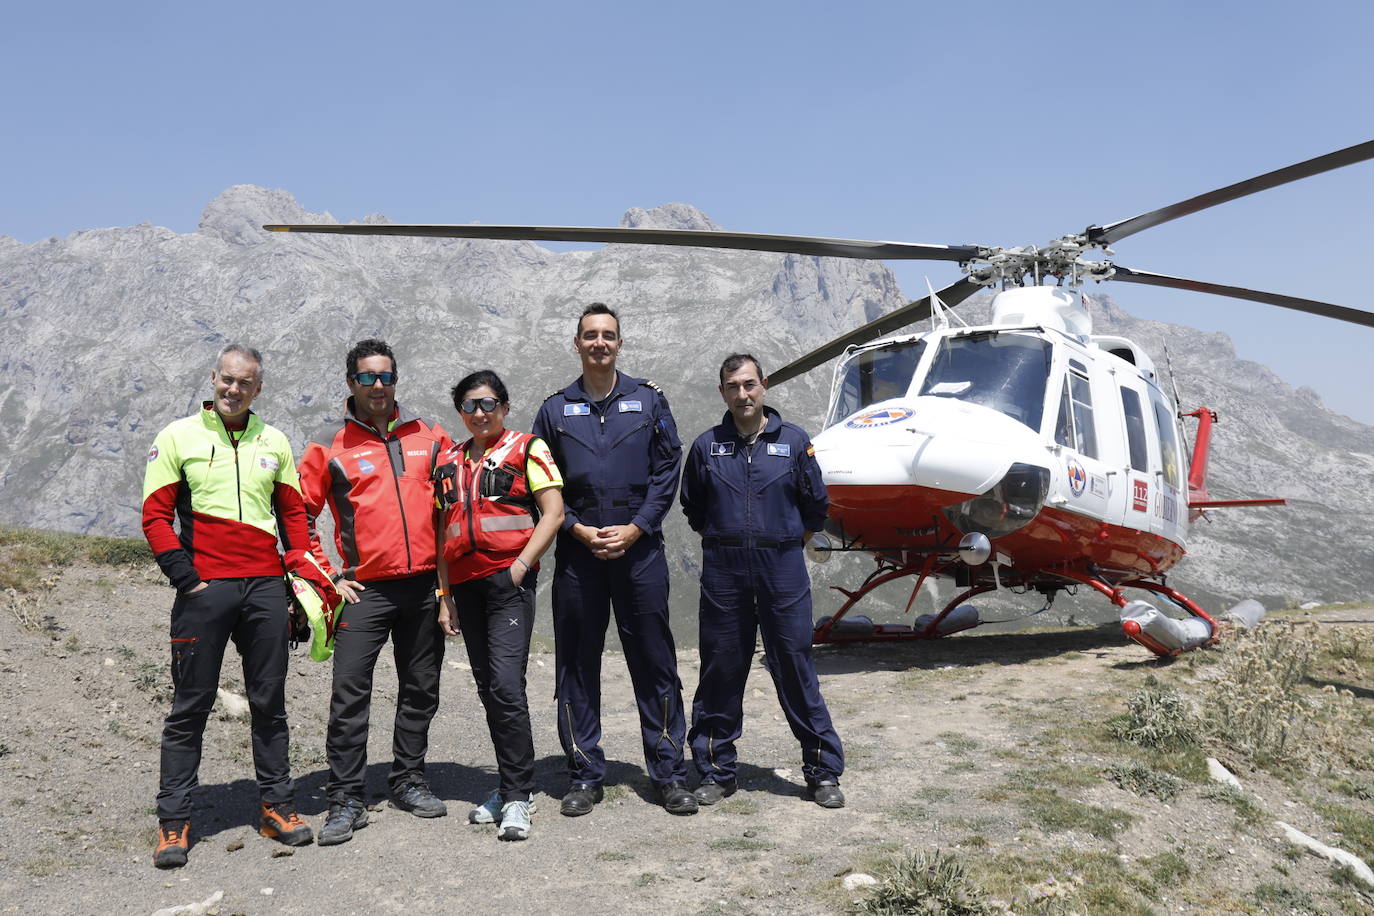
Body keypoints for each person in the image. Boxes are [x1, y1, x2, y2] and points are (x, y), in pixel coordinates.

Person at [142, 343, 339, 868]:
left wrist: (301, 576)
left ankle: (277, 807)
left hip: (265, 589)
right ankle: (173, 823)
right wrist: (187, 579)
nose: (234, 389)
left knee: (269, 703)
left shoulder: (273, 440)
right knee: (190, 707)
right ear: (213, 379)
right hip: (204, 591)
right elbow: (156, 517)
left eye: (245, 383)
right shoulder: (177, 436)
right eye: (226, 380)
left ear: (258, 388)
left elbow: (295, 517)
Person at [531, 303, 697, 816]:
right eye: (590, 335)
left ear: (620, 343)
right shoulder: (554, 410)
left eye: (608, 335)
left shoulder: (649, 401)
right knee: (577, 666)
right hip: (579, 556)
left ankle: (668, 774)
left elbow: (668, 468)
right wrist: (576, 527)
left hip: (640, 552)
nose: (599, 343)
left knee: (655, 662)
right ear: (576, 343)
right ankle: (584, 773)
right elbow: (544, 479)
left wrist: (638, 526)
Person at [296, 339, 452, 847]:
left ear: (396, 379)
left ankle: (408, 779)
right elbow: (298, 515)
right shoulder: (329, 443)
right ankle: (345, 797)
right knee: (349, 694)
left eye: (386, 376)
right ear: (351, 383)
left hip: (424, 585)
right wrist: (330, 576)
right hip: (365, 591)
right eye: (367, 377)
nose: (378, 385)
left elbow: (457, 502)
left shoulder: (429, 435)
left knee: (420, 689)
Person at [679, 353, 845, 808]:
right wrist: (729, 539)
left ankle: (823, 772)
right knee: (720, 671)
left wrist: (781, 541)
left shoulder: (794, 443)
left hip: (782, 571)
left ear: (764, 386)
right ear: (723, 393)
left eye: (749, 384)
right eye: (733, 386)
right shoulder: (705, 447)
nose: (743, 394)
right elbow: (693, 507)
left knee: (794, 667)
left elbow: (815, 507)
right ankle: (714, 770)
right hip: (724, 573)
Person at [434, 371, 565, 841]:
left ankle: (518, 794)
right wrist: (444, 596)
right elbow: (441, 530)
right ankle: (511, 785)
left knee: (507, 687)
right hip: (464, 588)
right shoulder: (449, 459)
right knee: (491, 689)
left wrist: (521, 566)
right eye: (470, 405)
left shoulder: (528, 448)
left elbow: (553, 511)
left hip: (507, 583)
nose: (480, 412)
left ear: (504, 407)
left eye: (489, 403)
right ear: (460, 412)